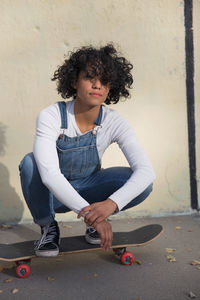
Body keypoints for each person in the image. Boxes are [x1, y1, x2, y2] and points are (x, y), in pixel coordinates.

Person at [19, 44, 155, 257]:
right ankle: (48, 228)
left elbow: (147, 172)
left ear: (111, 87)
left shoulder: (114, 122)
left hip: (90, 189)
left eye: (104, 80)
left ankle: (93, 221)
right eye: (89, 77)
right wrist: (93, 215)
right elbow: (50, 176)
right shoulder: (52, 116)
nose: (97, 85)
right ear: (74, 81)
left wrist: (109, 206)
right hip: (53, 196)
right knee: (29, 162)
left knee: (141, 182)